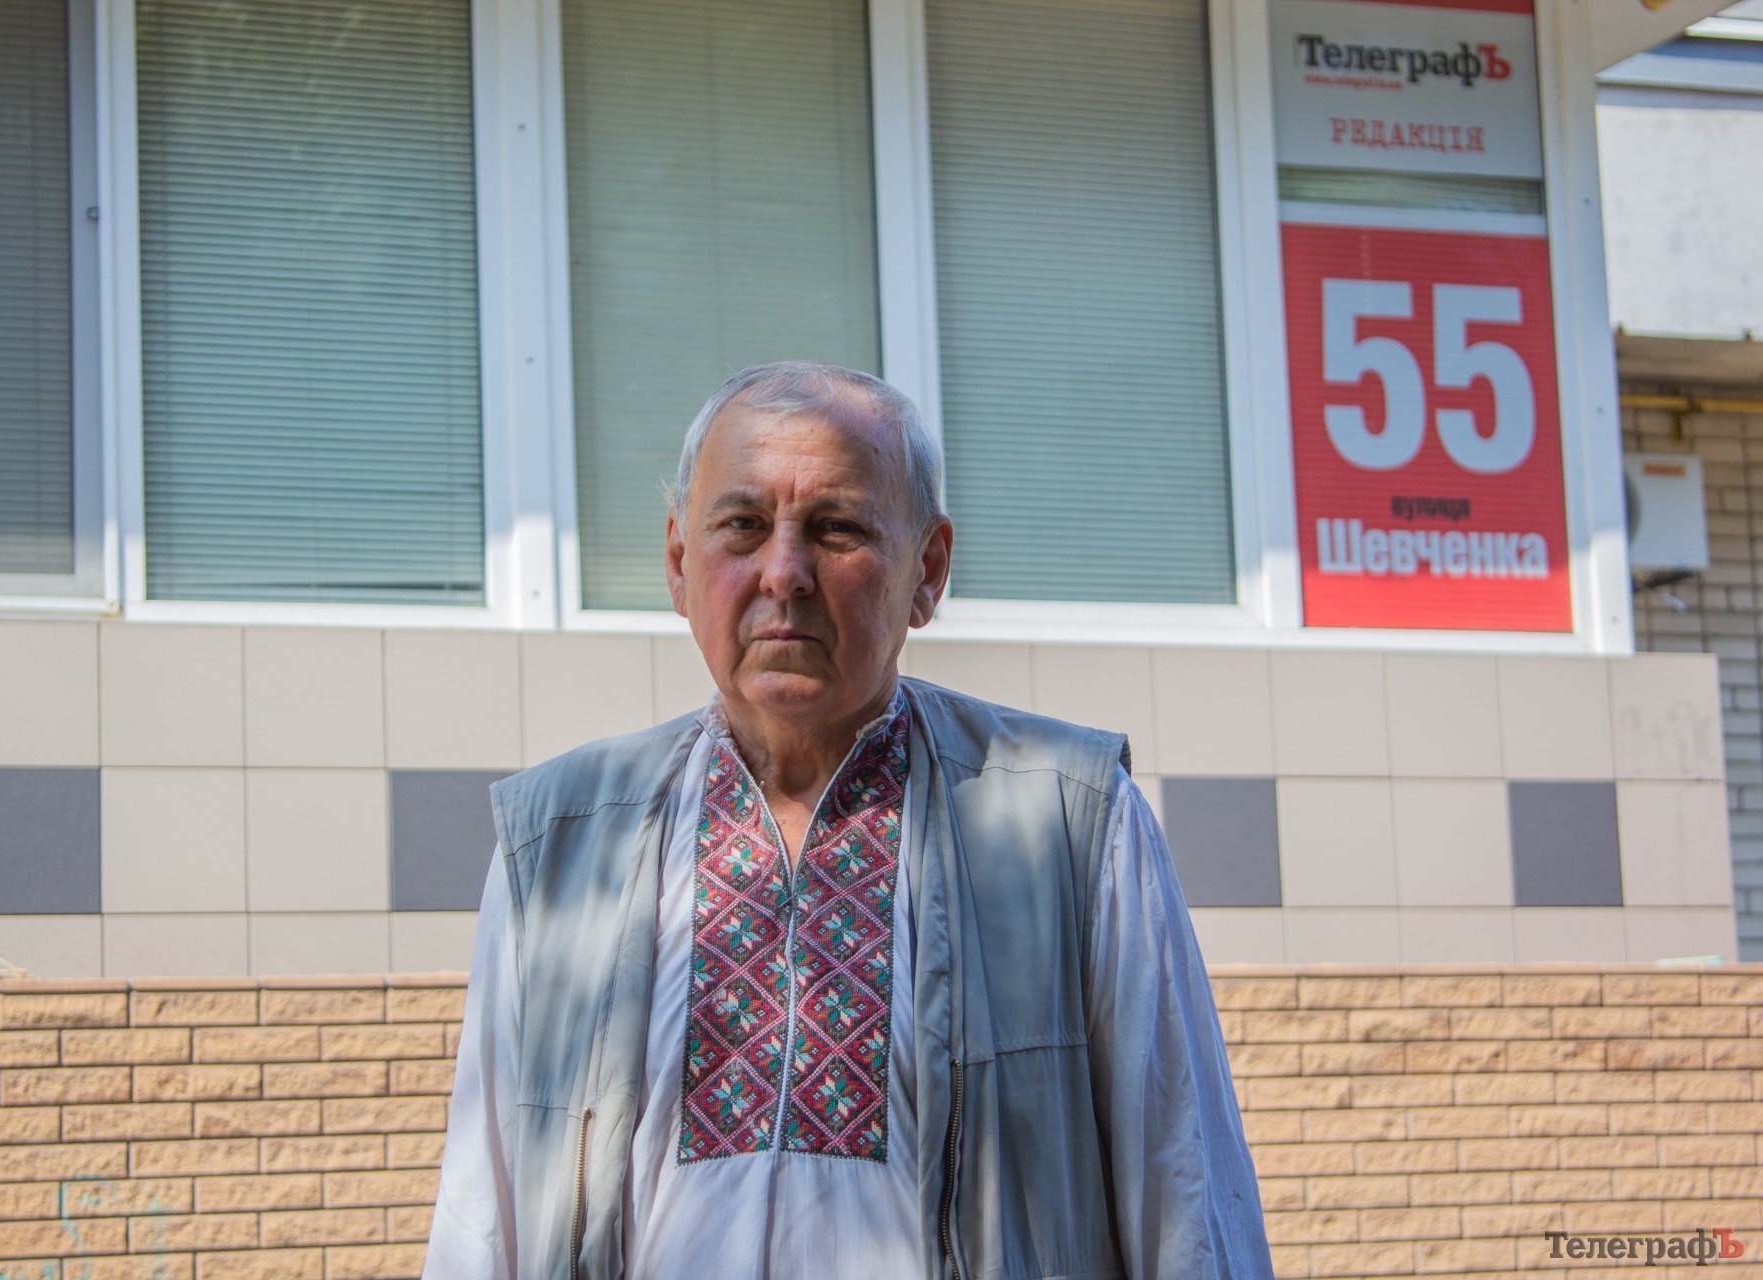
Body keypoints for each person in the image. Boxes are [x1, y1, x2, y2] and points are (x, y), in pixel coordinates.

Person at [423, 361, 1274, 1279]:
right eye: (742, 526)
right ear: (678, 563)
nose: (783, 573)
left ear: (927, 572)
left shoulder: (1072, 826)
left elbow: (1187, 1203)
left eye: (837, 529)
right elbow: (482, 1226)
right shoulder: (559, 842)